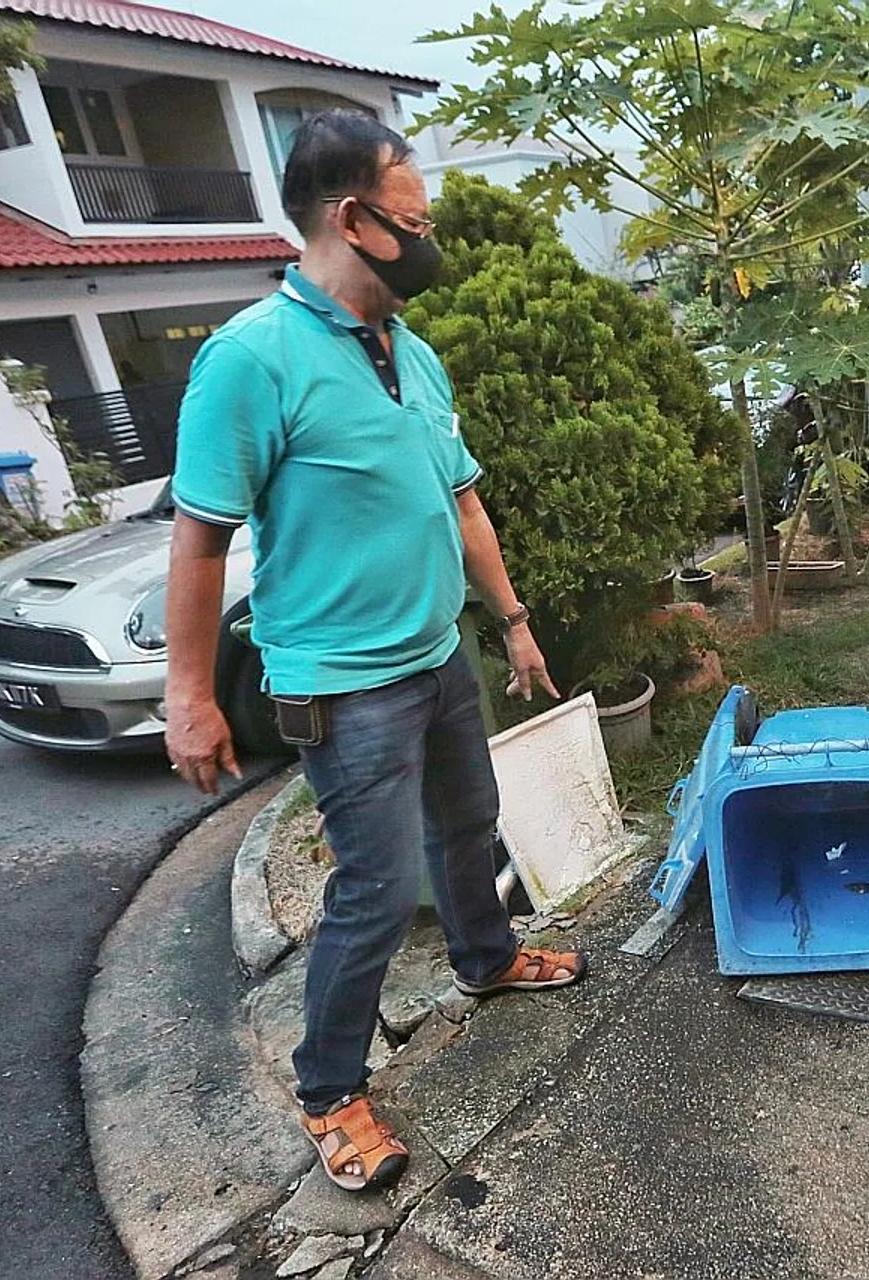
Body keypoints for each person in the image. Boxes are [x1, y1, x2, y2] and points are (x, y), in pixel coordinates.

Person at [163, 110, 581, 1191]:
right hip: (343, 688)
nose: (431, 236)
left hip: (437, 658)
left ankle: (487, 962)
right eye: (417, 219)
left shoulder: (413, 351)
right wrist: (190, 696)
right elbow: (201, 539)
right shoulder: (248, 361)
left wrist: (514, 620)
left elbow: (465, 500)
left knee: (469, 826)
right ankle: (329, 1088)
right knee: (375, 889)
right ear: (353, 219)